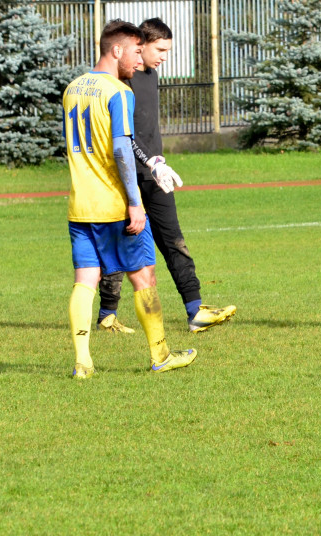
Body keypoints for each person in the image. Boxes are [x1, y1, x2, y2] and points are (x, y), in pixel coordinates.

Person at [63, 20, 196, 378]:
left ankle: (83, 362)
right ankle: (161, 356)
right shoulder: (119, 92)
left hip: (79, 206)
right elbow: (121, 149)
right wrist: (134, 202)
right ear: (117, 49)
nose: (140, 60)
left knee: (84, 281)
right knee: (144, 278)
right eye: (136, 51)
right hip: (113, 206)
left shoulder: (73, 88)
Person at [96, 18, 236, 335]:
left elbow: (146, 129)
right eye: (160, 49)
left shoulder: (151, 74)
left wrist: (158, 162)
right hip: (125, 176)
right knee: (121, 244)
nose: (164, 56)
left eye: (168, 50)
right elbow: (124, 137)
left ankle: (194, 311)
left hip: (156, 174)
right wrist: (149, 162)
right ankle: (107, 315)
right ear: (139, 46)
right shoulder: (120, 80)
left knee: (174, 240)